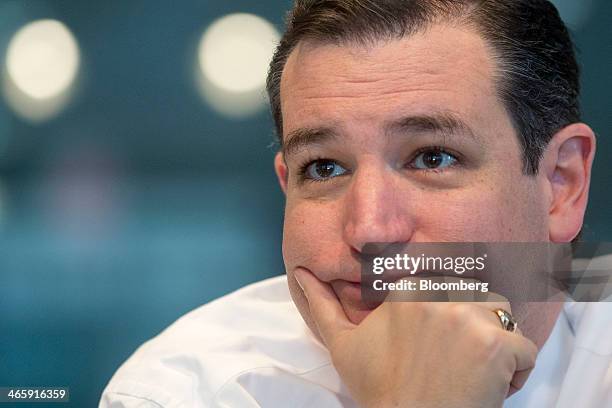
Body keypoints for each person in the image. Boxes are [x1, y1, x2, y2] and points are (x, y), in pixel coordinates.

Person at [100, 0, 610, 406]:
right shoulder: (185, 393)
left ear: (561, 184)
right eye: (325, 168)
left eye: (432, 158)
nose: (369, 228)